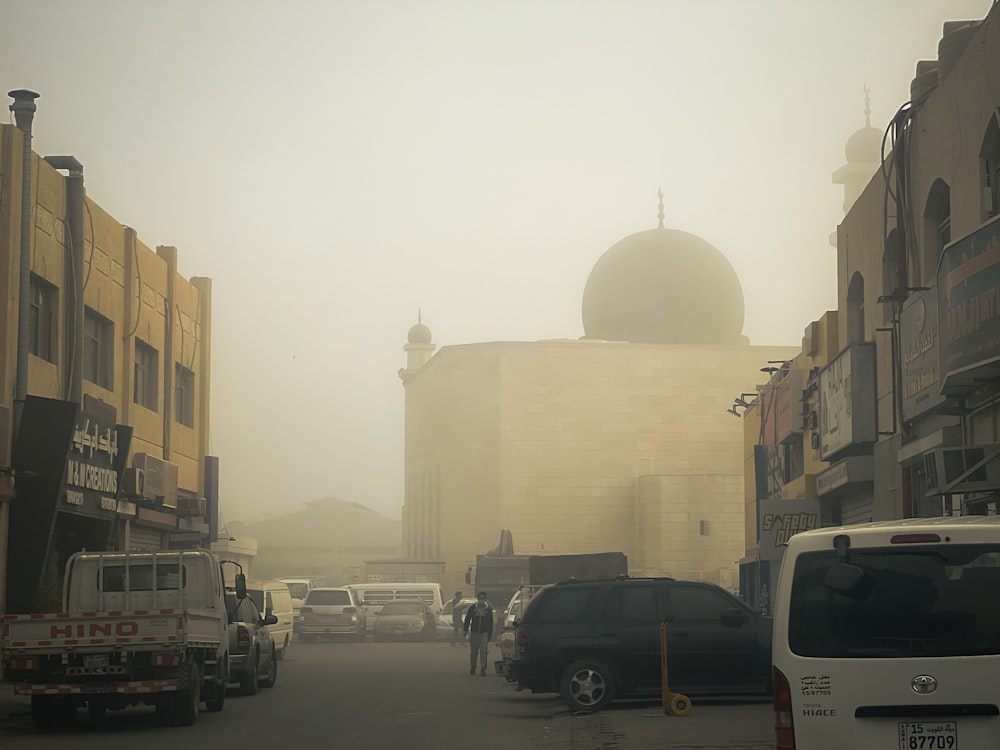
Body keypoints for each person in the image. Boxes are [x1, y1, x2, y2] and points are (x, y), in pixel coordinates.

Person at [463, 590, 493, 676]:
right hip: (474, 633)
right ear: (478, 598)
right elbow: (467, 619)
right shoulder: (472, 608)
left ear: (486, 599)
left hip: (484, 633)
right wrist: (465, 630)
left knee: (483, 652)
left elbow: (490, 623)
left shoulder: (488, 609)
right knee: (474, 652)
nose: (482, 600)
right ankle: (473, 666)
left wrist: (489, 635)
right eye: (480, 598)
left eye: (483, 598)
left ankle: (483, 668)